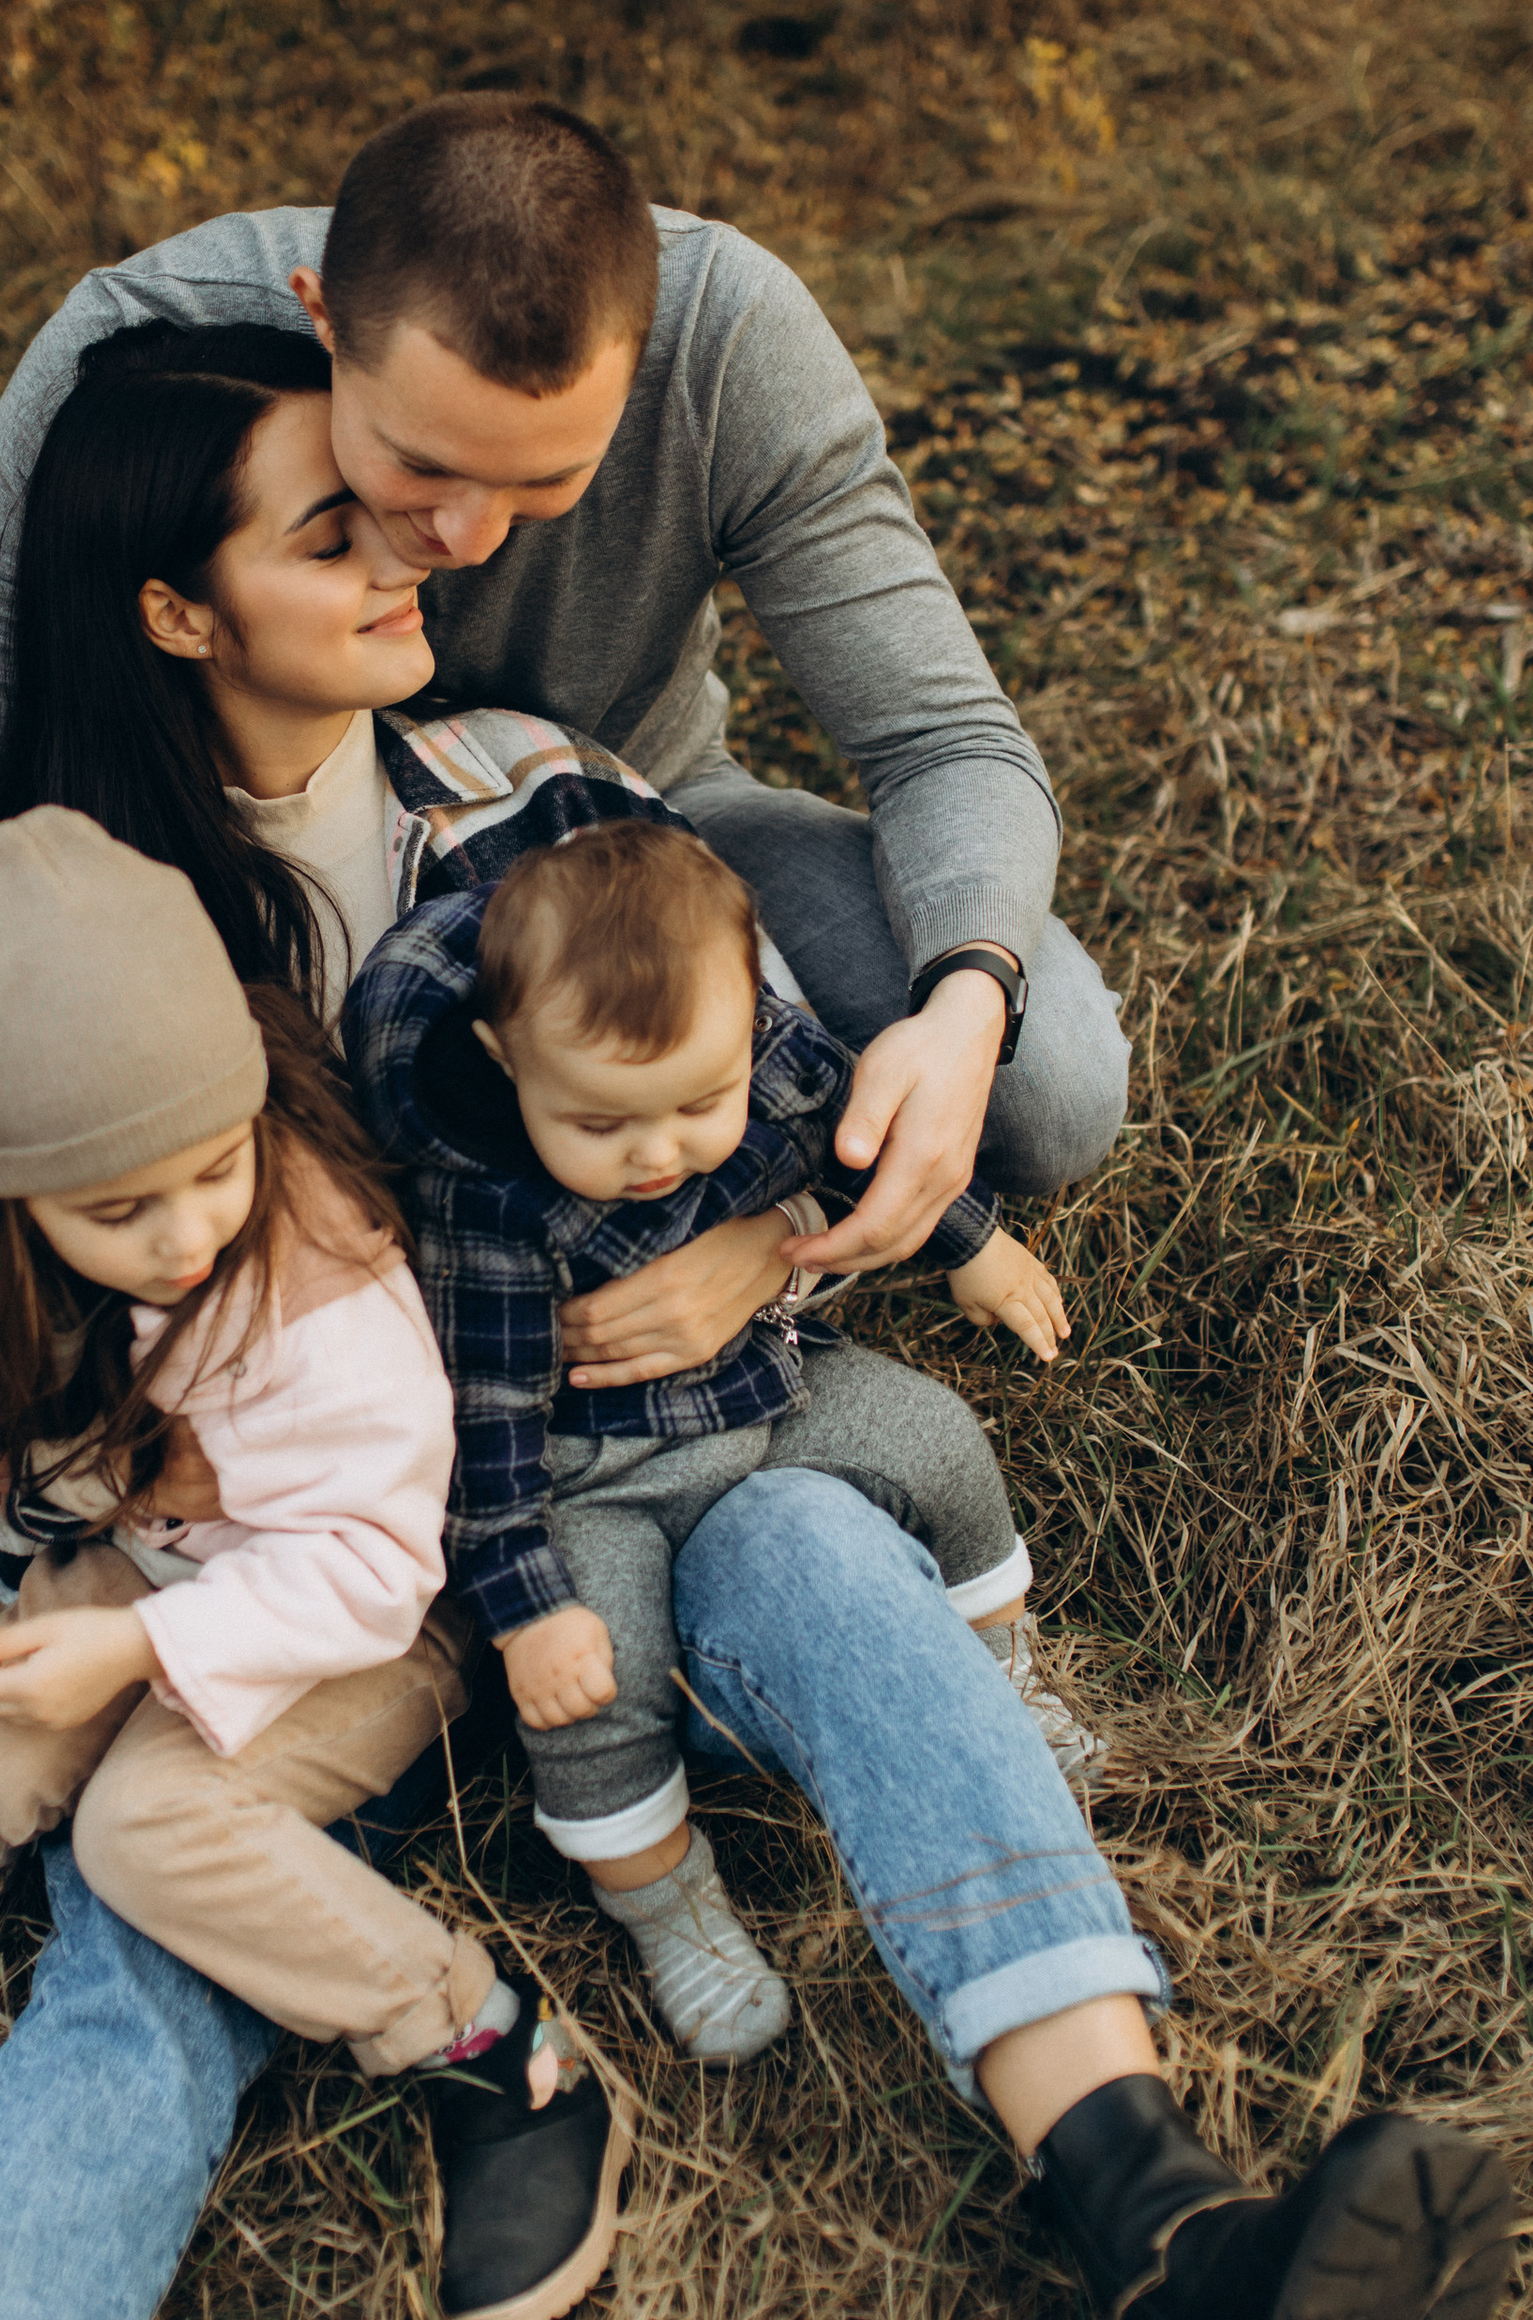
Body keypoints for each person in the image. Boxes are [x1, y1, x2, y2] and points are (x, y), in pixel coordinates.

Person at [0, 293, 1514, 2320]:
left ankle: (1161, 2231)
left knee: (815, 1561)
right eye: (346, 522)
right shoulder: (91, 931)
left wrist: (771, 1231)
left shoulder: (526, 790)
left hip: (567, 1495)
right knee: (138, 1917)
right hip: (294, 1592)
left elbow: (712, 1038)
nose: (425, 548)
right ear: (184, 604)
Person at [0, 97, 1134, 1349]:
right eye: (414, 466)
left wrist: (936, 1041)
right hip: (234, 841)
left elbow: (944, 743)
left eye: (543, 480)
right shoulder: (149, 345)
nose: (461, 540)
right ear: (319, 321)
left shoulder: (730, 346)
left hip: (623, 825)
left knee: (1047, 1073)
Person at [0, 805, 627, 2320]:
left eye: (213, 1171)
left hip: (363, 1615)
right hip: (142, 1557)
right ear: (3, 1182)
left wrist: (138, 1660)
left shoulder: (308, 1274)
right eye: (118, 1212)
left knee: (151, 1832)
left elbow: (369, 1557)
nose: (187, 1233)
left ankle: (489, 2047)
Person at [345, 818, 1083, 2060]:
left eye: (700, 1101)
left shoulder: (768, 1057)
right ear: (501, 1057)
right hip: (590, 1476)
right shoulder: (486, 1199)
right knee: (595, 1689)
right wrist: (529, 1612)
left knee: (941, 1441)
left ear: (751, 1020)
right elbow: (480, 1436)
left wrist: (973, 1242)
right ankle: (666, 1900)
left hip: (765, 1385)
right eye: (598, 1123)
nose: (659, 1153)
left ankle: (1013, 1680)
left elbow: (862, 1143)